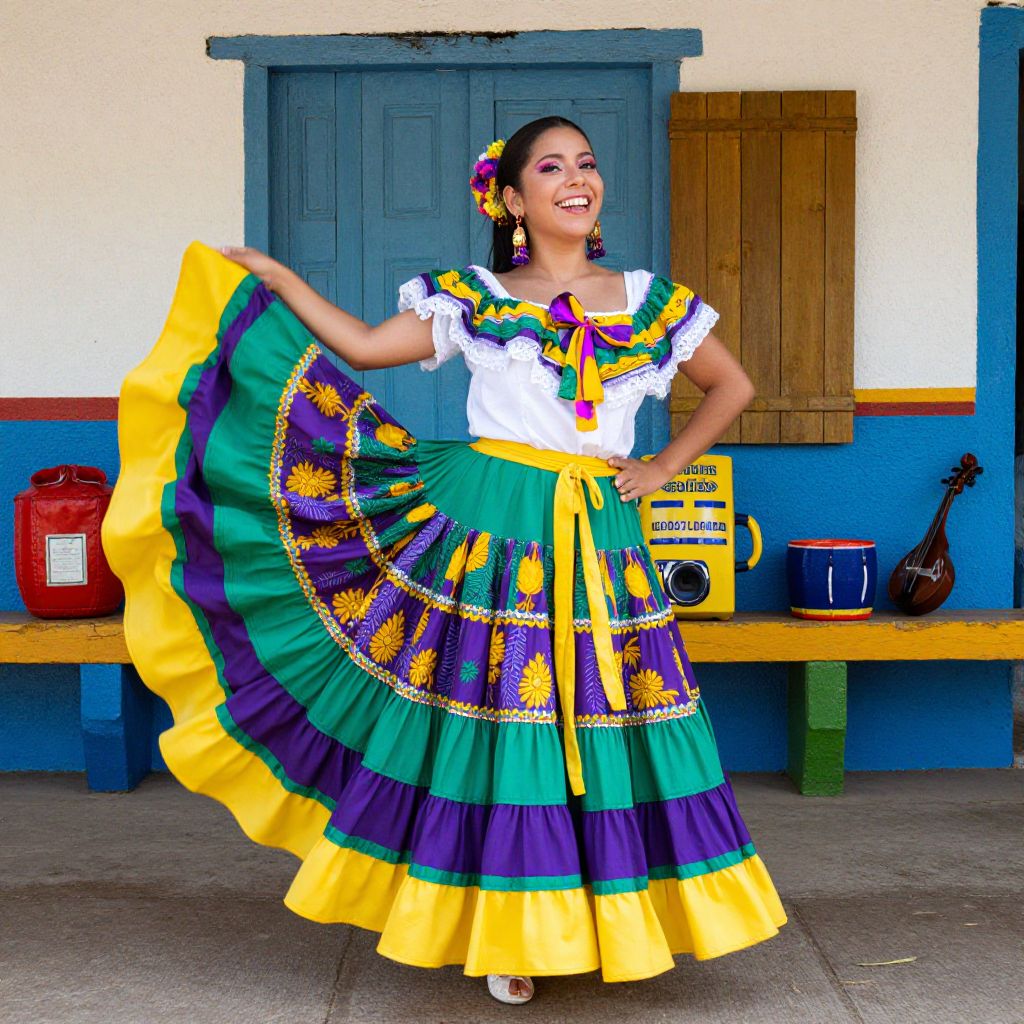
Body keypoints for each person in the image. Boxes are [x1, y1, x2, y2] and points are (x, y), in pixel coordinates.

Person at [101, 115, 787, 1008]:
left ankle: (616, 913)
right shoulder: (474, 298)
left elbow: (733, 385)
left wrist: (661, 465)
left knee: (612, 714)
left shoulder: (652, 299)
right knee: (507, 722)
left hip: (602, 540)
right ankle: (512, 931)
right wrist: (280, 280)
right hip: (491, 529)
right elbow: (363, 349)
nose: (577, 179)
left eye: (586, 164)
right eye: (551, 167)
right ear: (511, 198)